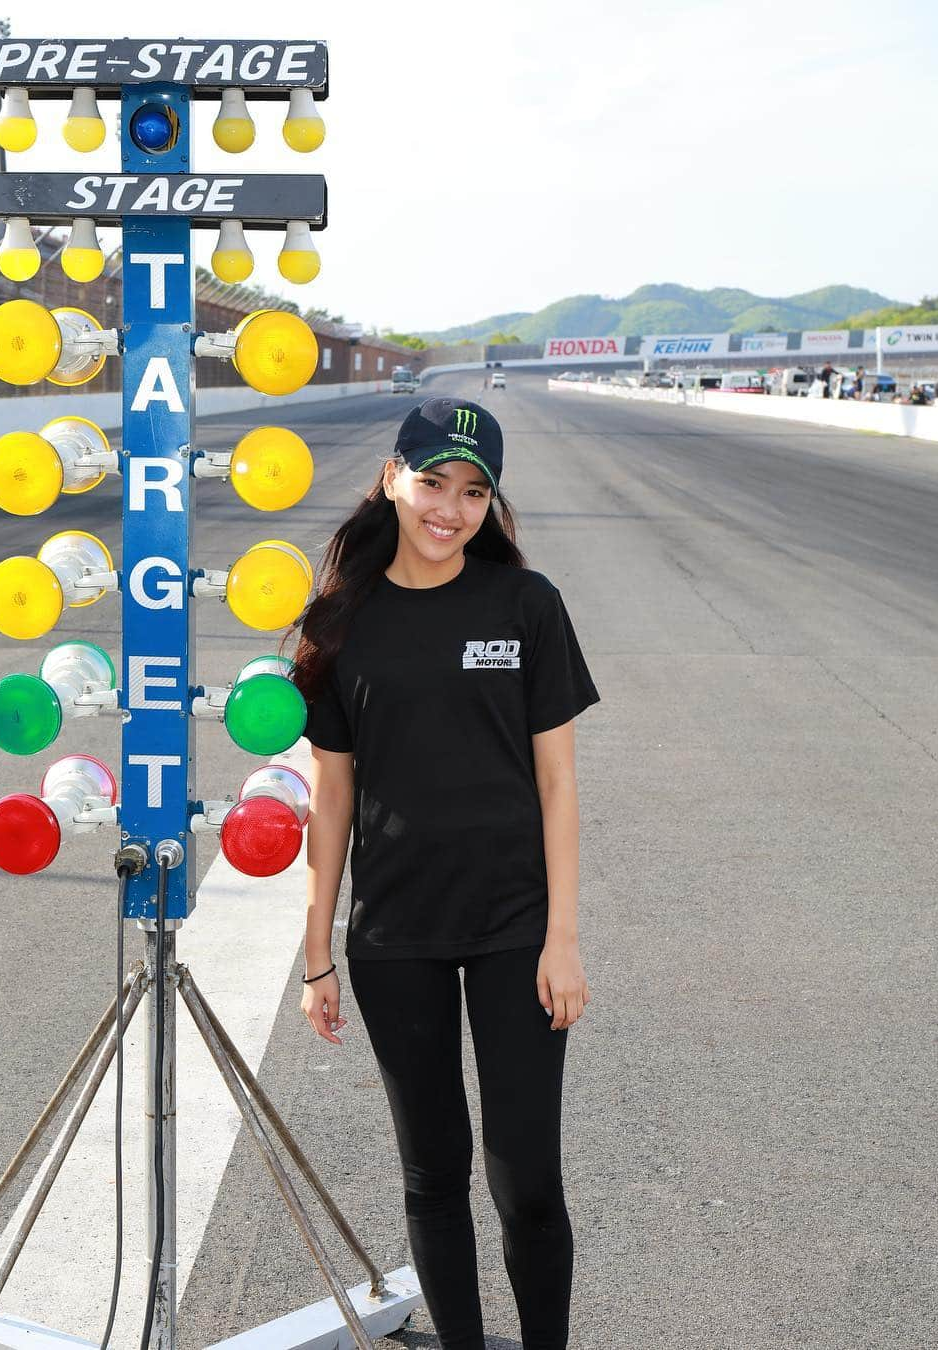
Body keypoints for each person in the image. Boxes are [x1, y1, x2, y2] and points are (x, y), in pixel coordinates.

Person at [291, 396, 599, 1350]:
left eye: (473, 492)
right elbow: (331, 801)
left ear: (490, 503)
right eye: (433, 482)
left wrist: (564, 939)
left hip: (516, 928)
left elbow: (558, 785)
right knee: (432, 1173)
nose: (450, 508)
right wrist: (317, 953)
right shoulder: (340, 622)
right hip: (395, 937)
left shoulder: (526, 604)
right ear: (393, 477)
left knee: (527, 1182)